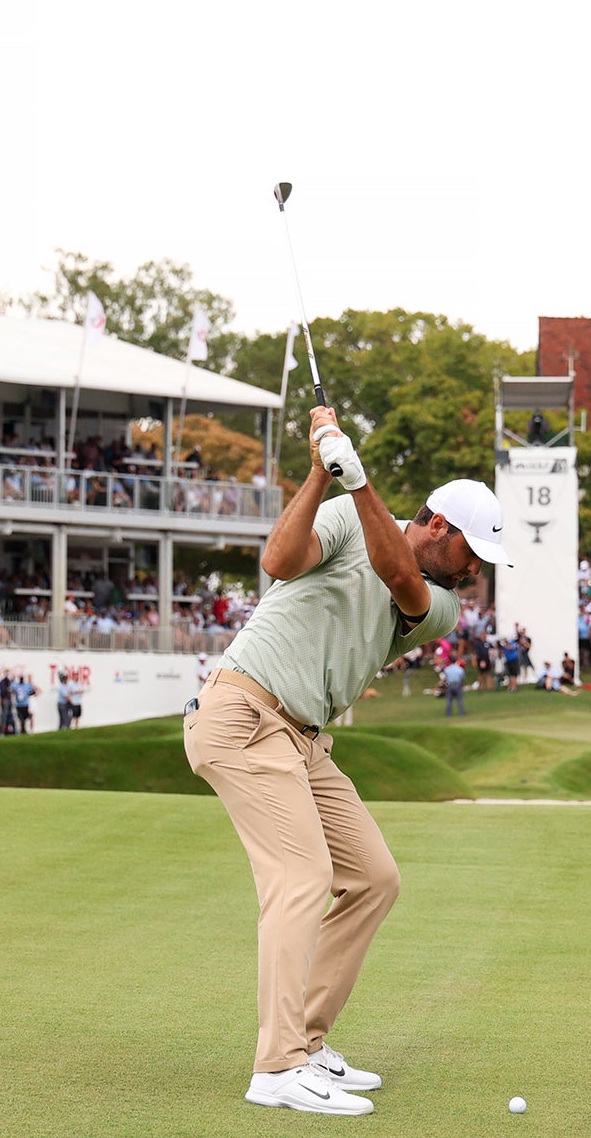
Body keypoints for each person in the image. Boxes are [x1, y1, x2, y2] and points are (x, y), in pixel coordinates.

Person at [186, 406, 503, 1116]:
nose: (477, 570)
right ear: (440, 527)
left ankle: (306, 1037)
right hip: (242, 713)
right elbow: (276, 562)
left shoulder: (440, 601)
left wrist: (357, 479)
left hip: (301, 737)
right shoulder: (339, 514)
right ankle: (277, 1066)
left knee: (374, 878)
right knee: (302, 874)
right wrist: (320, 468)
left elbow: (398, 572)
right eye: (472, 552)